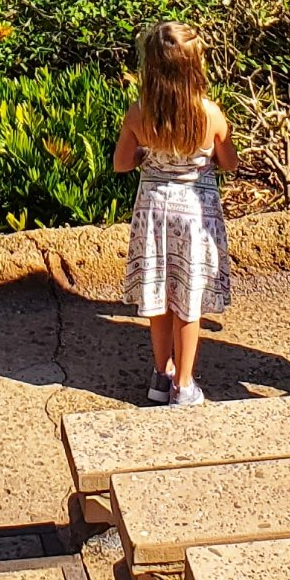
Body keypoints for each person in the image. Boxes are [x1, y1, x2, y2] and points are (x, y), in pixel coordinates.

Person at [114, 22, 236, 408]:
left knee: (160, 293)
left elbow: (121, 163)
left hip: (153, 210)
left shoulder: (139, 113)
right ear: (196, 65)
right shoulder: (210, 114)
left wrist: (145, 154)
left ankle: (160, 375)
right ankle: (184, 384)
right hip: (195, 212)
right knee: (188, 297)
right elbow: (229, 162)